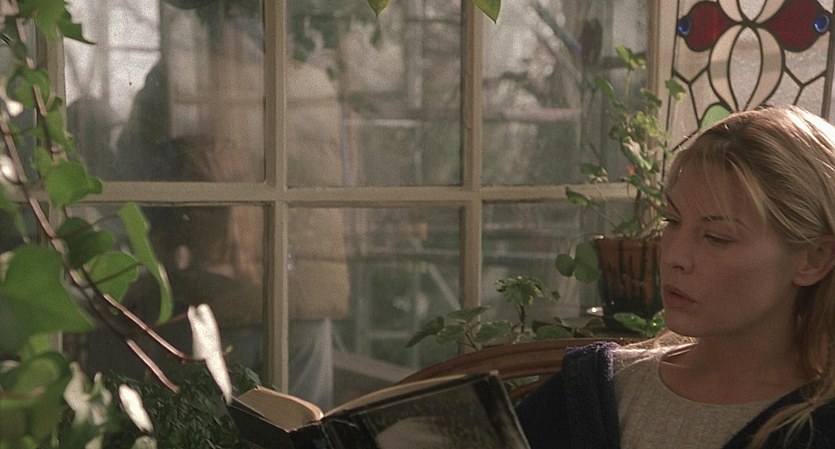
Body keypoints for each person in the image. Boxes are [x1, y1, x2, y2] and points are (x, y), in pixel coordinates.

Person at [515, 105, 835, 449]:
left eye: (716, 238)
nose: (674, 256)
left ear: (813, 259)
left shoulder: (821, 425)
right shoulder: (591, 393)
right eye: (672, 221)